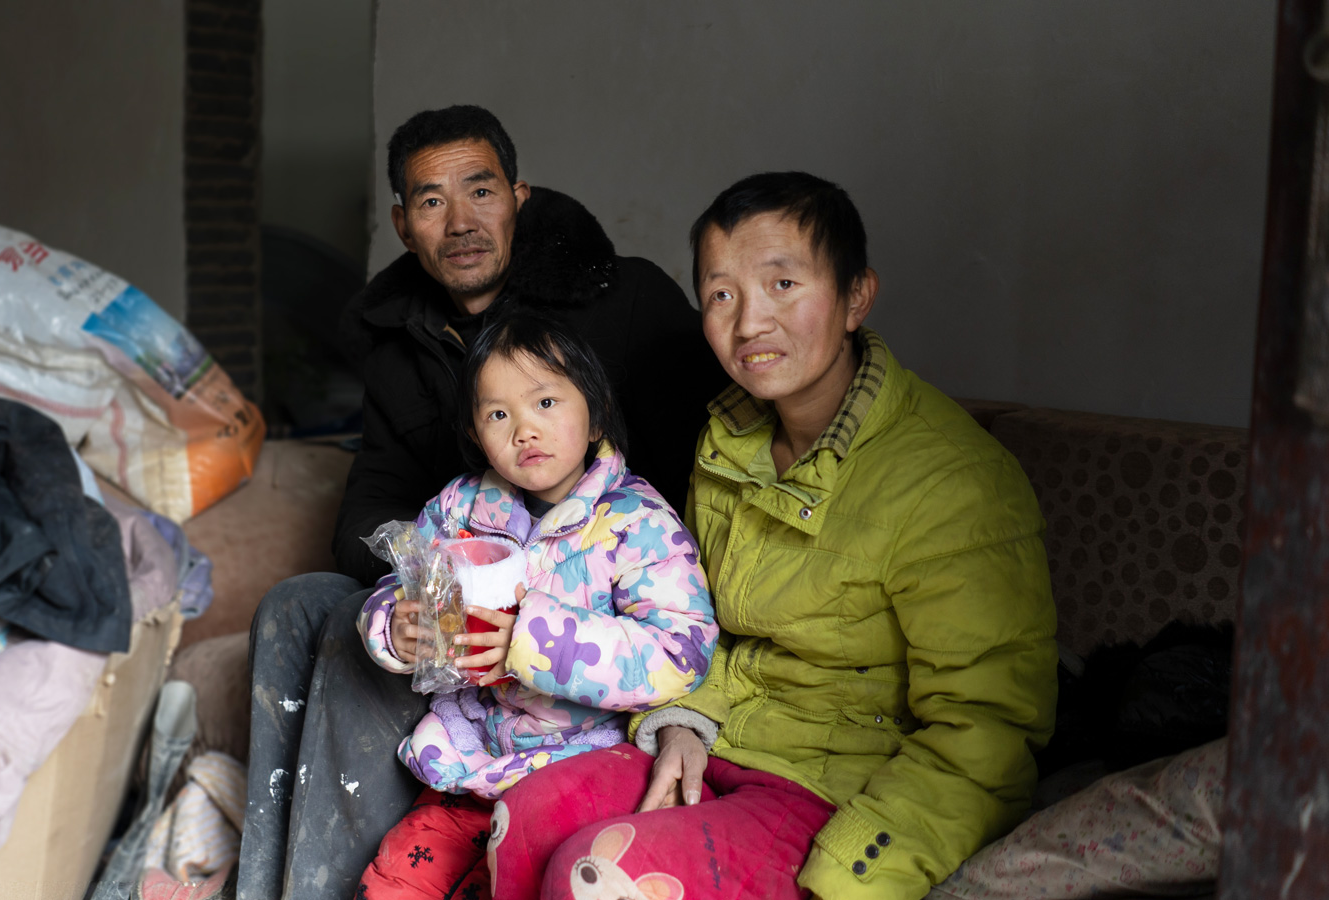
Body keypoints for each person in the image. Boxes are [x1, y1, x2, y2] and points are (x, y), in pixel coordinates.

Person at [484, 172, 1058, 900]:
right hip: (722, 738)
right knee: (521, 824)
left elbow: (988, 733)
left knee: (598, 875)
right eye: (722, 294)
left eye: (783, 284)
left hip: (842, 780)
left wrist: (852, 873)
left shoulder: (954, 481)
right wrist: (682, 722)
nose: (750, 321)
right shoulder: (726, 441)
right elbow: (697, 627)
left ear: (856, 296)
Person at [238, 106, 721, 900]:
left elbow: (704, 497)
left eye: (480, 191)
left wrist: (548, 609)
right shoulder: (395, 343)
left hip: (594, 618)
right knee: (300, 606)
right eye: (432, 202)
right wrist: (425, 592)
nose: (460, 221)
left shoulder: (623, 302)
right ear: (403, 223)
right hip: (461, 614)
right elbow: (371, 509)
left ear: (518, 197)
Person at [354, 313, 719, 898]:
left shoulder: (637, 522)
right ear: (475, 432)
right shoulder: (459, 508)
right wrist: (394, 628)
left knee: (515, 879)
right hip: (471, 754)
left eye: (546, 402)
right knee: (399, 877)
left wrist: (530, 641)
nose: (524, 429)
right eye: (498, 414)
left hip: (579, 768)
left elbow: (682, 651)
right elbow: (397, 586)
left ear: (596, 415)